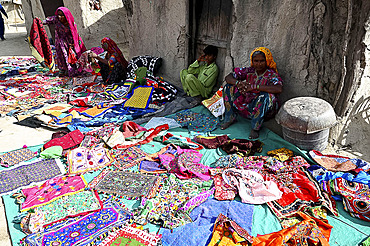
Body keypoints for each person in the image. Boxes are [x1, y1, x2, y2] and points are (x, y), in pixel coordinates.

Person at [221, 47, 283, 139]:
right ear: (252, 61)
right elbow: (229, 77)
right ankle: (230, 117)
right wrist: (238, 83)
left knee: (265, 96)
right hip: (248, 103)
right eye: (256, 61)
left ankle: (255, 127)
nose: (259, 64)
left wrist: (255, 87)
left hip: (264, 108)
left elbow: (278, 88)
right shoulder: (249, 71)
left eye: (262, 61)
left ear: (267, 61)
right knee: (228, 87)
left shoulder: (271, 74)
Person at [43, 7, 86, 77]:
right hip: (60, 42)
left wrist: (73, 44)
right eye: (58, 15)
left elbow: (75, 34)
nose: (60, 17)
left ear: (66, 15)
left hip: (69, 42)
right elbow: (46, 21)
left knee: (72, 57)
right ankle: (63, 70)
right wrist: (39, 21)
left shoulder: (71, 23)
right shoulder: (56, 20)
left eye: (62, 15)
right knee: (61, 56)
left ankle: (73, 70)